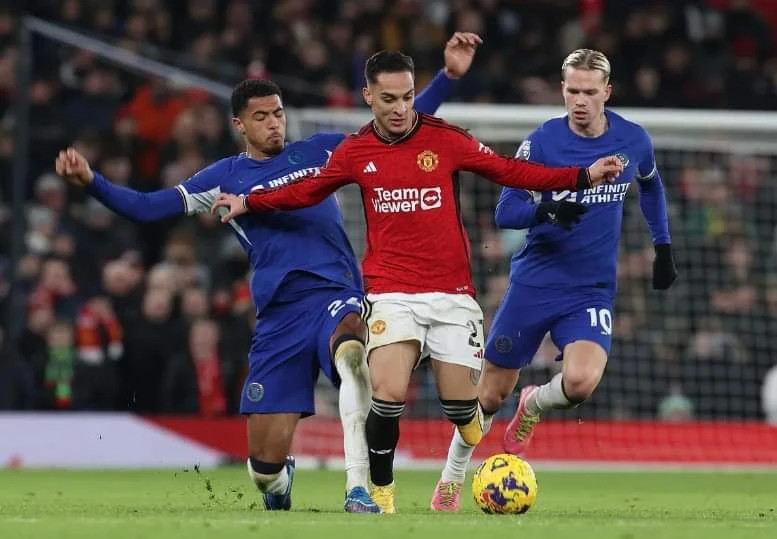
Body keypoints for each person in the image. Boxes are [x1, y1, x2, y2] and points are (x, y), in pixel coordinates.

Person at [54, 31, 483, 513]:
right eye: (261, 117)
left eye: (278, 113)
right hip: (279, 317)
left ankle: (358, 488)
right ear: (240, 124)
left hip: (336, 294)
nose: (274, 124)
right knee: (263, 469)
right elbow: (147, 209)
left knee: (351, 355)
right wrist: (92, 182)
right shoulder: (222, 179)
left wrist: (448, 77)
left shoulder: (322, 151)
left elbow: (396, 118)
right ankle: (281, 482)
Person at [211, 50, 623, 513]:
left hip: (451, 294)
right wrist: (251, 201)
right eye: (389, 99)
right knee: (385, 393)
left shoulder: (446, 140)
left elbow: (511, 170)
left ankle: (466, 422)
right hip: (389, 292)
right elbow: (305, 189)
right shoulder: (355, 151)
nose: (400, 108)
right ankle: (381, 492)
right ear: (369, 96)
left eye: (408, 97)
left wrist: (581, 176)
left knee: (462, 409)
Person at [437, 48, 678, 510]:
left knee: (582, 382)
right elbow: (506, 211)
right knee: (488, 394)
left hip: (590, 288)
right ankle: (451, 477)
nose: (580, 100)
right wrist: (546, 207)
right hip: (535, 283)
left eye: (590, 92)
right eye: (572, 91)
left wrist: (662, 245)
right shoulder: (543, 142)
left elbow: (650, 184)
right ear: (562, 89)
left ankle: (534, 405)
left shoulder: (632, 140)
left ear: (607, 92)